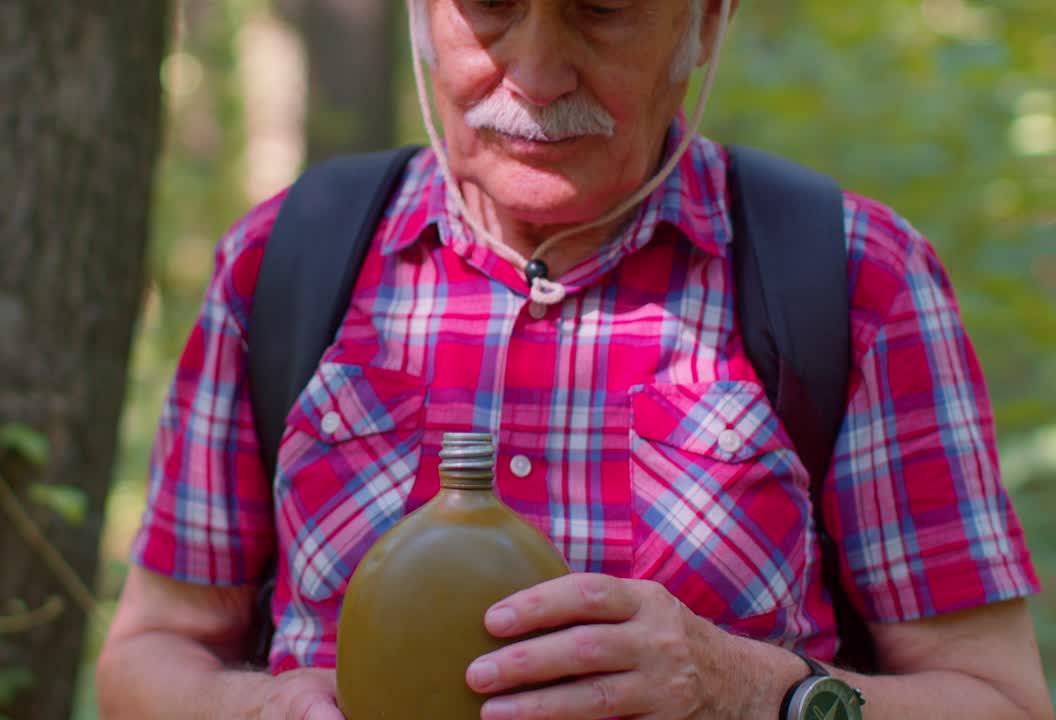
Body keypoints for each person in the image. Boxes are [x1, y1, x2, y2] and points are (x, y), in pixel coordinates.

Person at [97, 0, 1052, 718]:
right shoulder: (285, 263)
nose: (537, 75)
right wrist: (259, 708)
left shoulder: (852, 281)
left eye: (601, 9)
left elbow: (999, 700)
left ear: (706, 21)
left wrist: (748, 690)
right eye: (491, 7)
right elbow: (147, 657)